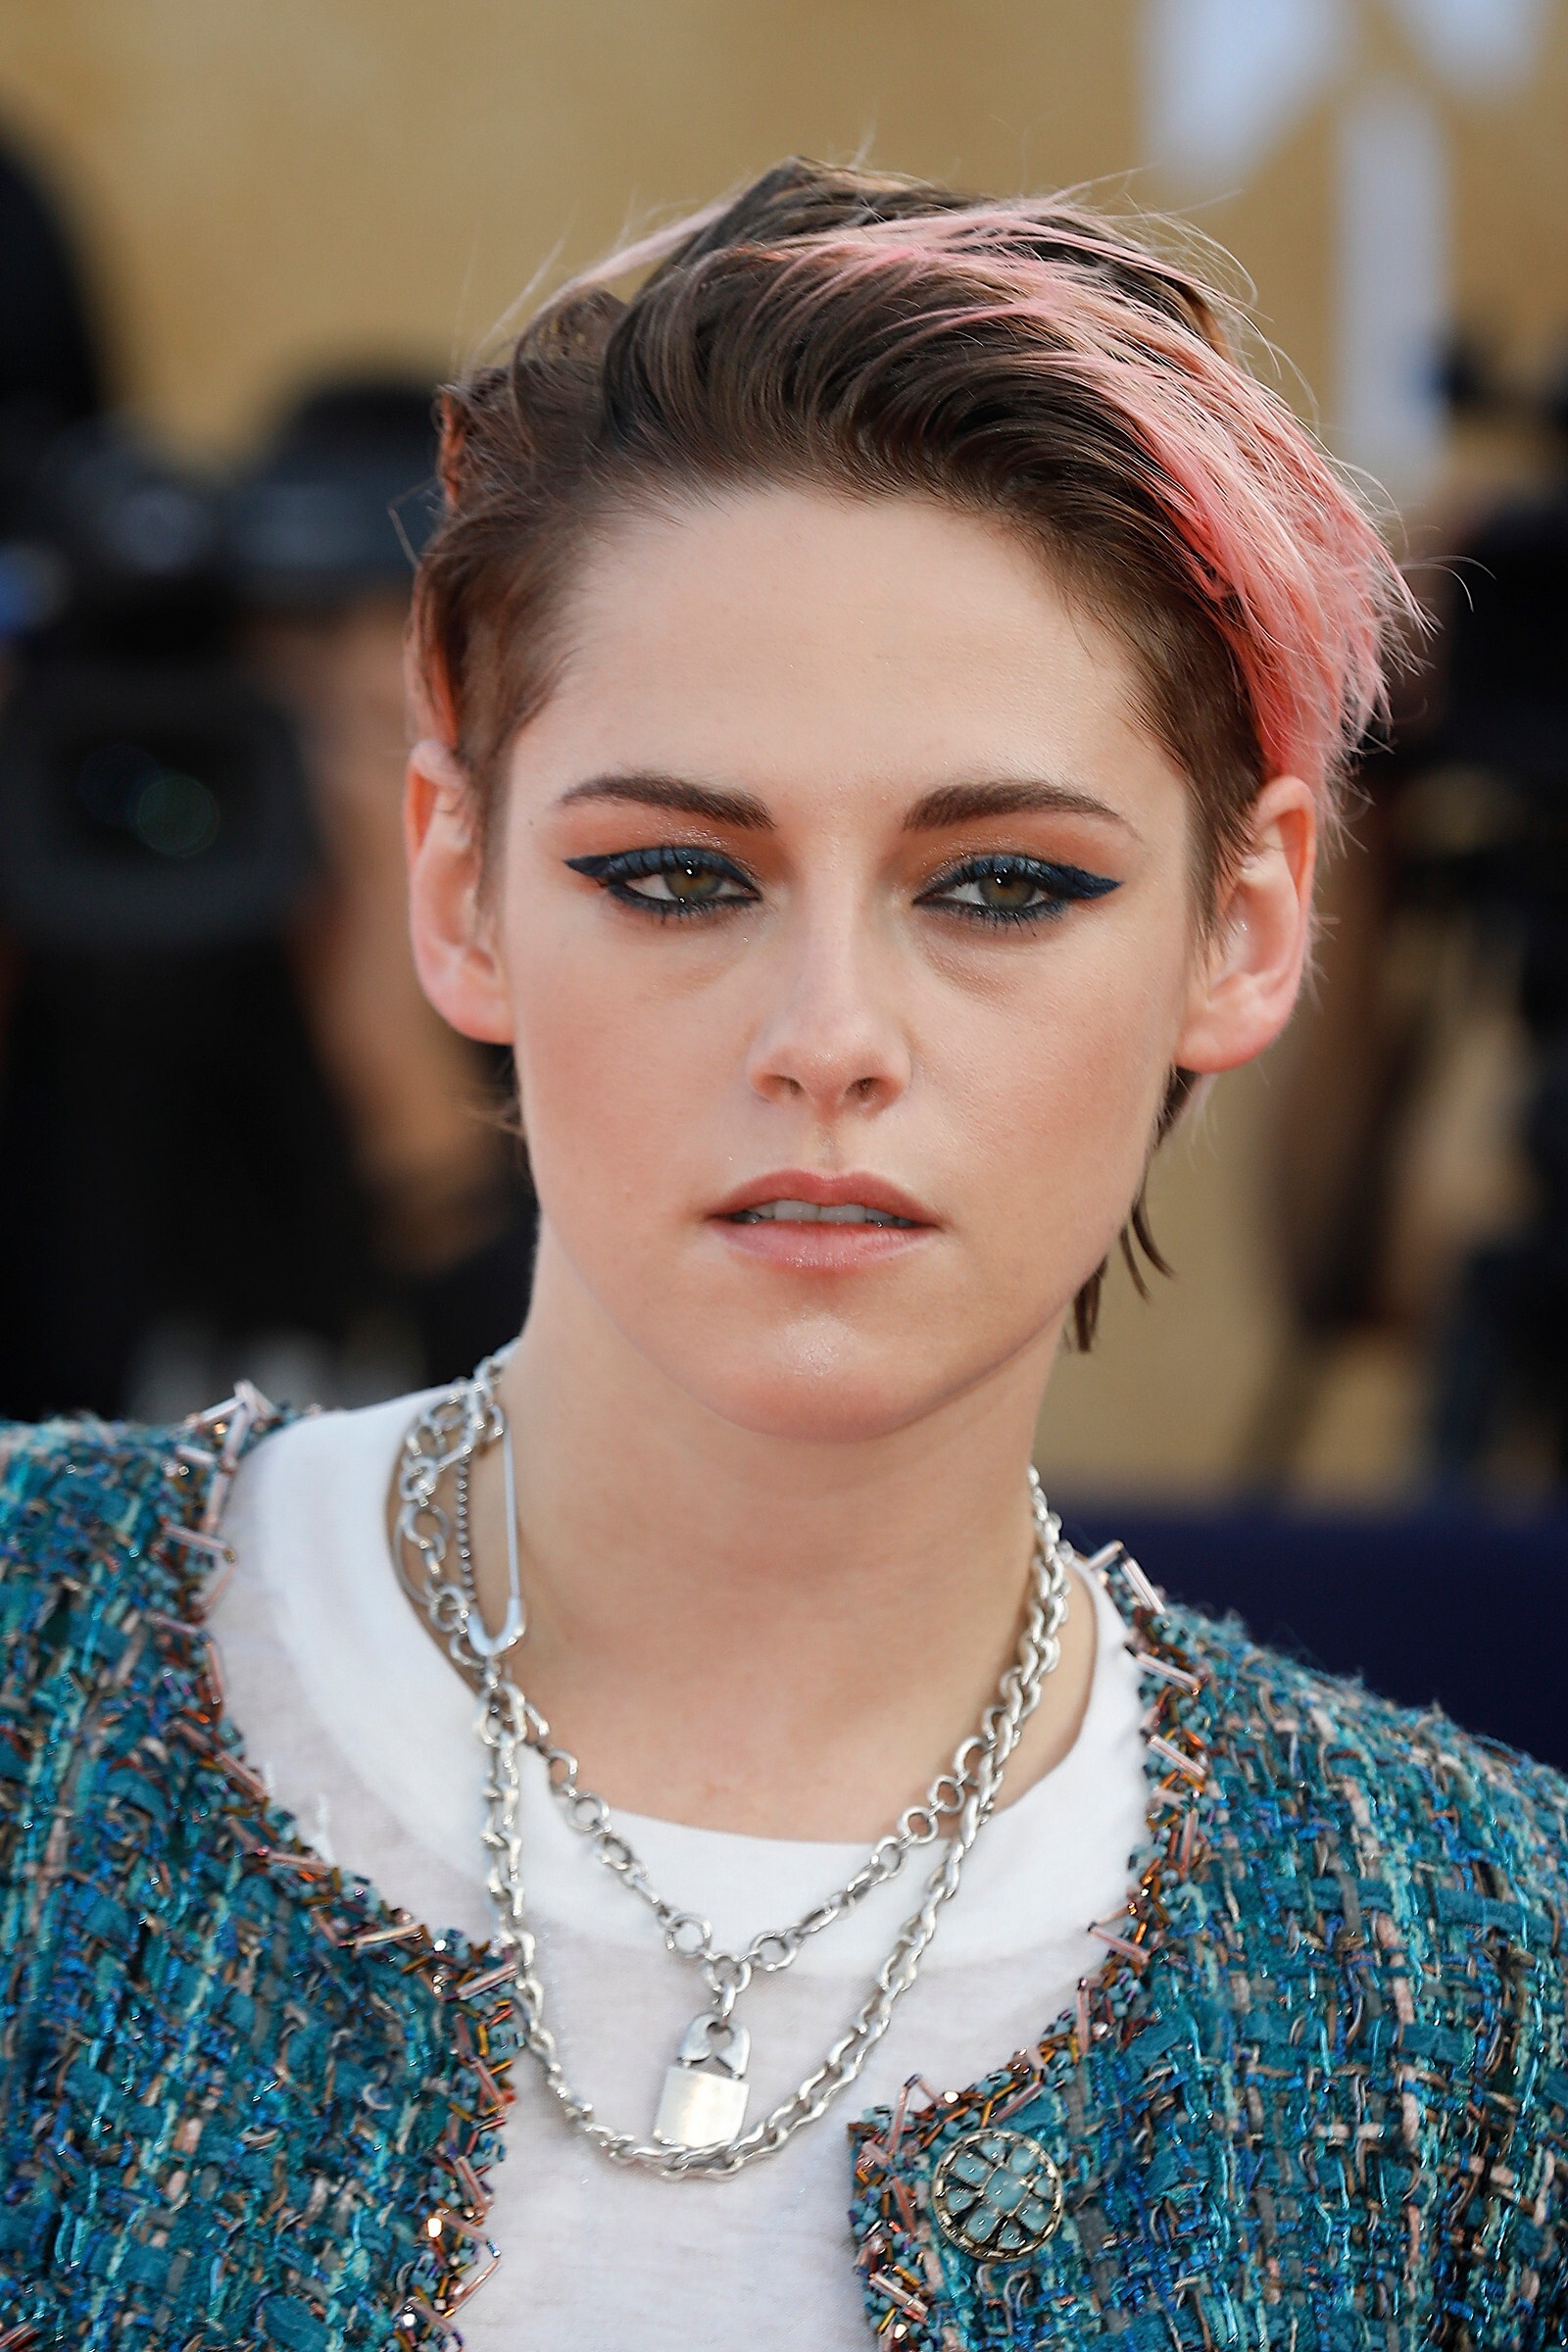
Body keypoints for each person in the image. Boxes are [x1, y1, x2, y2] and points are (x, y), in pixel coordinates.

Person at [2, 157, 1565, 2350]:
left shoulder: (1473, 1994)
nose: (828, 1036)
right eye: (674, 875)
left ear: (1246, 924)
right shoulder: (34, 1679)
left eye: (1003, 884)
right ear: (459, 883)